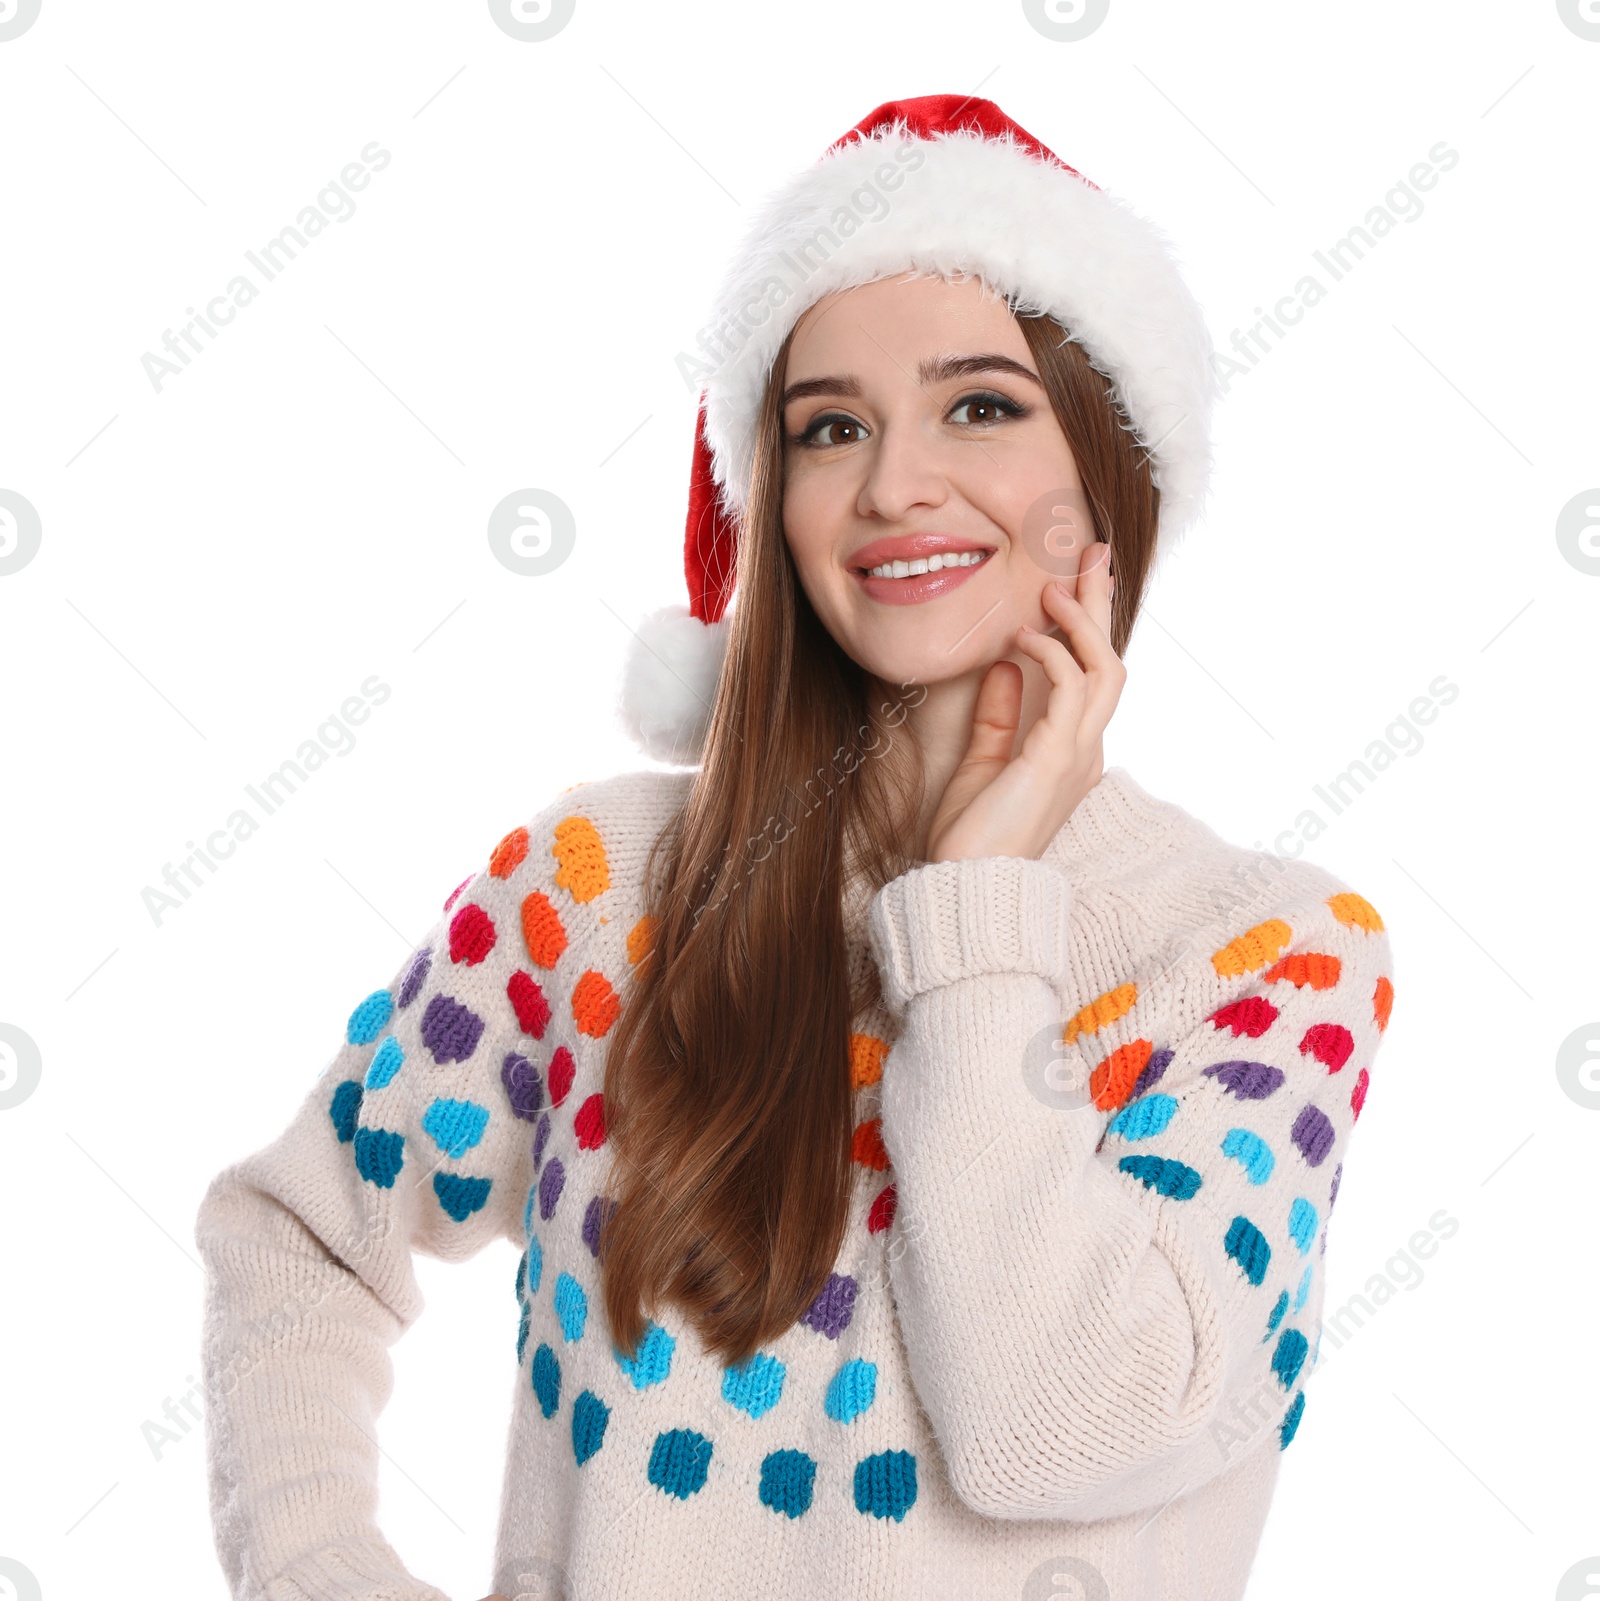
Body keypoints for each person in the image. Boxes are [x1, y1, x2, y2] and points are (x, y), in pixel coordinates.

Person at [195, 95, 1396, 1601]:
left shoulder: (1266, 954)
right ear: (773, 504)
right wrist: (318, 1573)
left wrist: (976, 913)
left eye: (981, 403)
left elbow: (1059, 1433)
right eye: (831, 425)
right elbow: (299, 1237)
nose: (895, 483)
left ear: (1110, 470)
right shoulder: (593, 892)